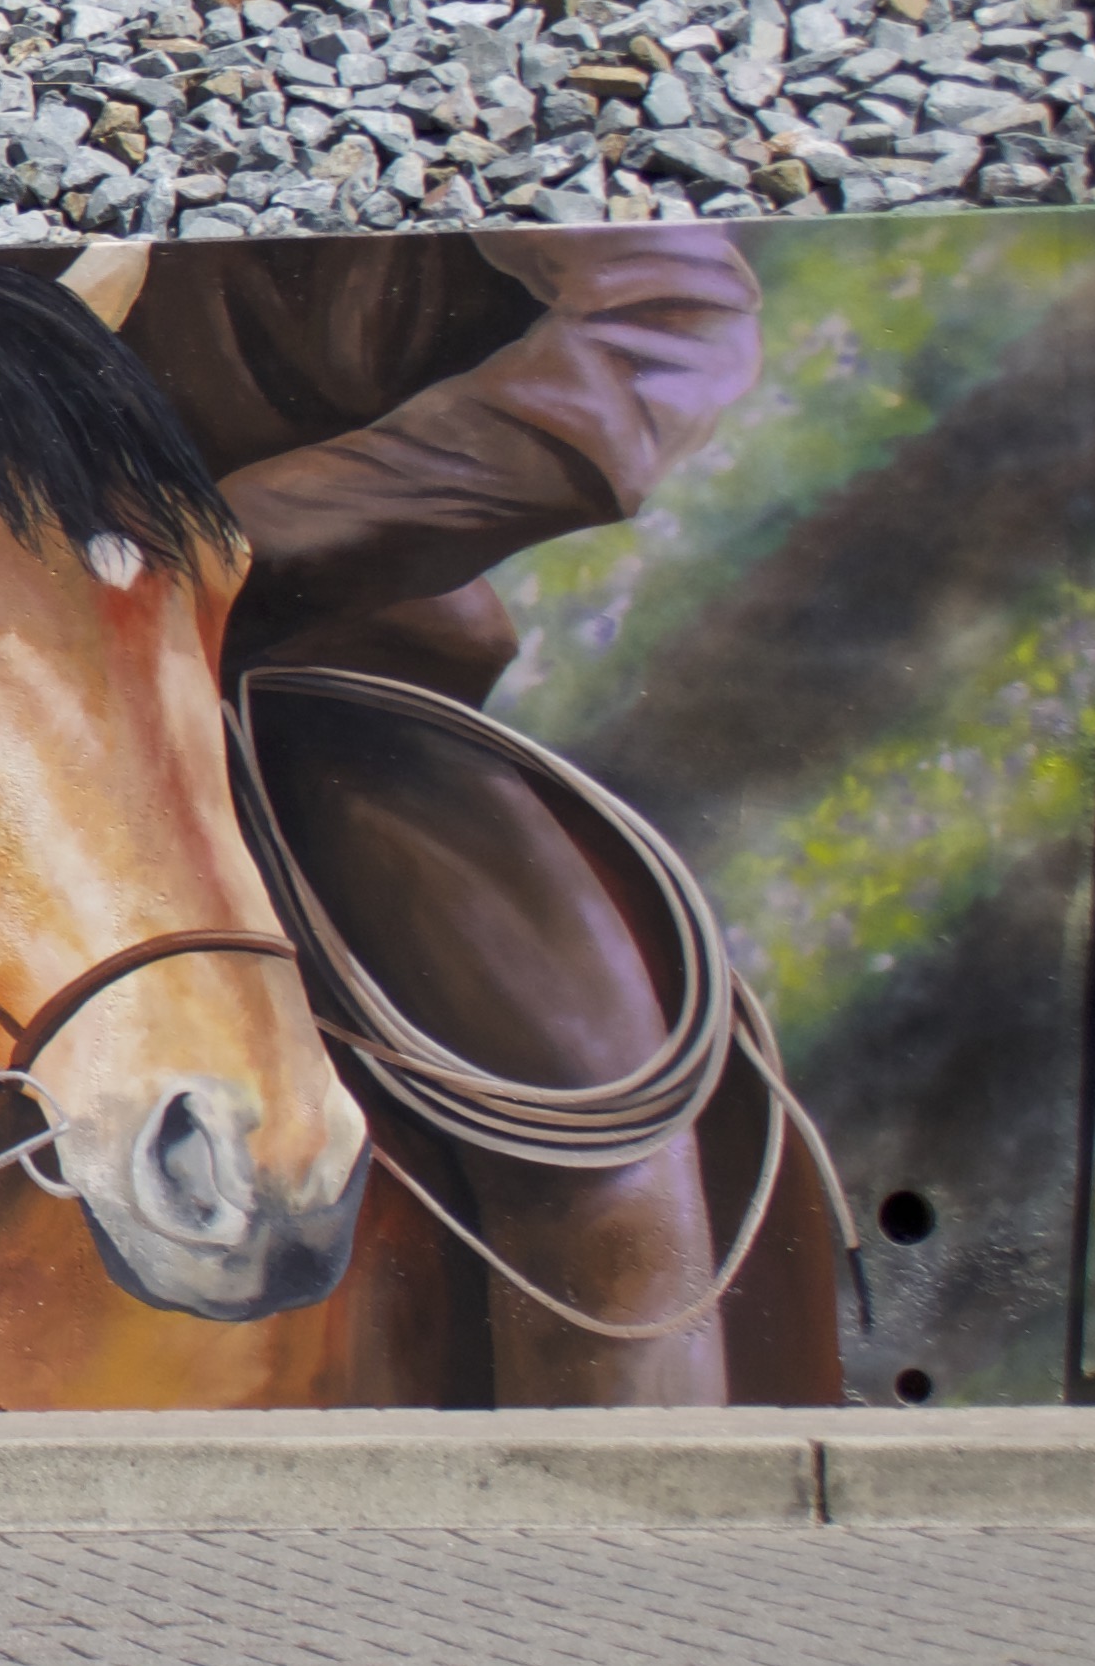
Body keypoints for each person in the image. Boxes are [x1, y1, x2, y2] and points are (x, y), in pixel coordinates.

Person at [118, 225, 833, 1406]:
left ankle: (630, 1498)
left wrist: (239, 535)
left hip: (311, 664)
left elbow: (669, 322)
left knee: (576, 1084)